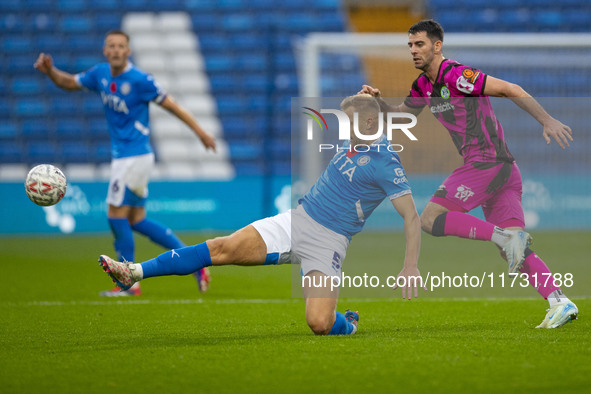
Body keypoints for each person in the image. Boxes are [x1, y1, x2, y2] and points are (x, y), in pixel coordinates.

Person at [98, 94, 424, 335]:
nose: (344, 127)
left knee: (319, 323)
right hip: (297, 221)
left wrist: (410, 266)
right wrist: (373, 99)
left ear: (367, 124)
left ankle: (347, 325)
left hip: (330, 242)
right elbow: (373, 112)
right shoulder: (358, 133)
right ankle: (134, 272)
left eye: (351, 121)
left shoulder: (386, 163)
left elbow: (411, 216)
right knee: (220, 247)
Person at [360, 19, 578, 328]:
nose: (413, 51)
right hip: (503, 169)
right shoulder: (424, 85)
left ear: (437, 46)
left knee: (430, 218)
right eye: (409, 45)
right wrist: (378, 103)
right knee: (514, 251)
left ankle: (504, 238)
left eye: (419, 44)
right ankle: (559, 302)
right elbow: (403, 116)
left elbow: (510, 89)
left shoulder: (458, 75)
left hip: (486, 163)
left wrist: (546, 120)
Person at [34, 30, 216, 296]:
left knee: (115, 215)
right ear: (105, 50)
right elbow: (70, 82)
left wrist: (200, 132)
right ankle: (196, 264)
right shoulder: (100, 74)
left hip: (134, 156)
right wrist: (51, 72)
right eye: (112, 46)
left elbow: (172, 106)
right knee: (136, 219)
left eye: (121, 46)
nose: (117, 50)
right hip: (129, 158)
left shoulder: (140, 80)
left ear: (128, 51)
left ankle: (128, 282)